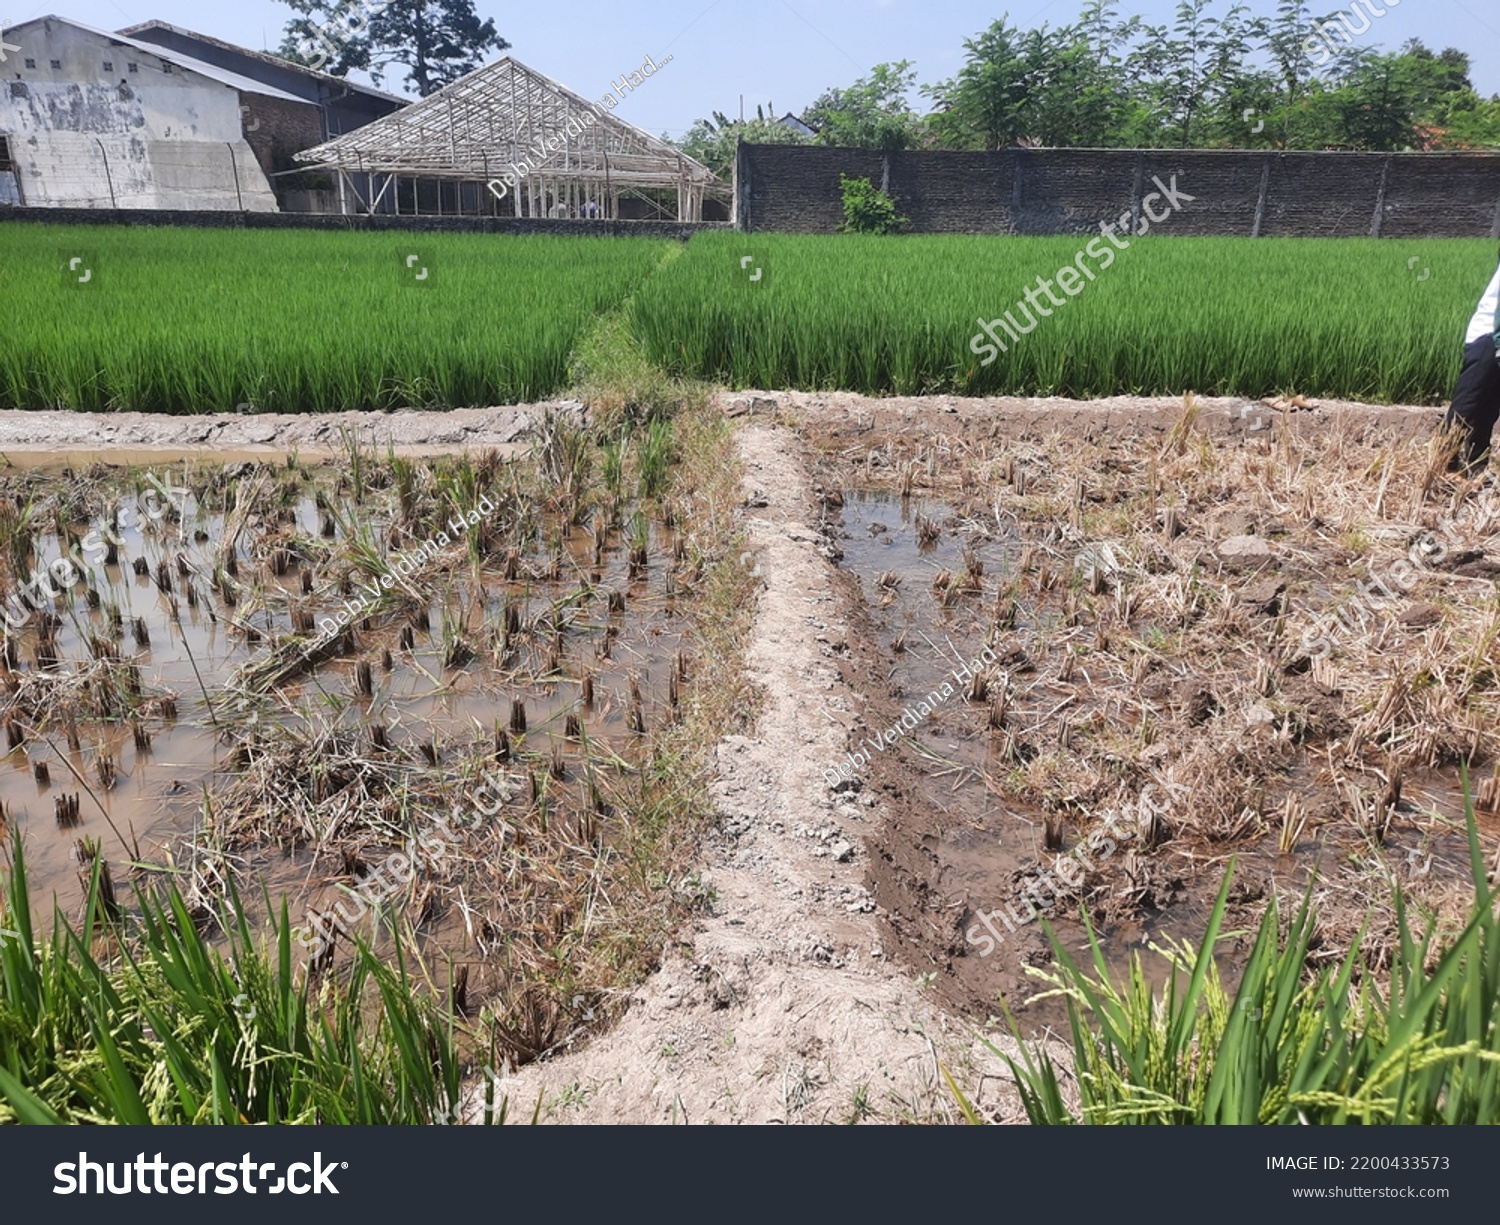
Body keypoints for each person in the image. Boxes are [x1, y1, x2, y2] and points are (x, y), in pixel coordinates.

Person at [1444, 252, 1500, 473]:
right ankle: (1441, 470)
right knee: (1466, 409)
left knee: (1487, 413)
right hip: (1488, 337)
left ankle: (1474, 472)